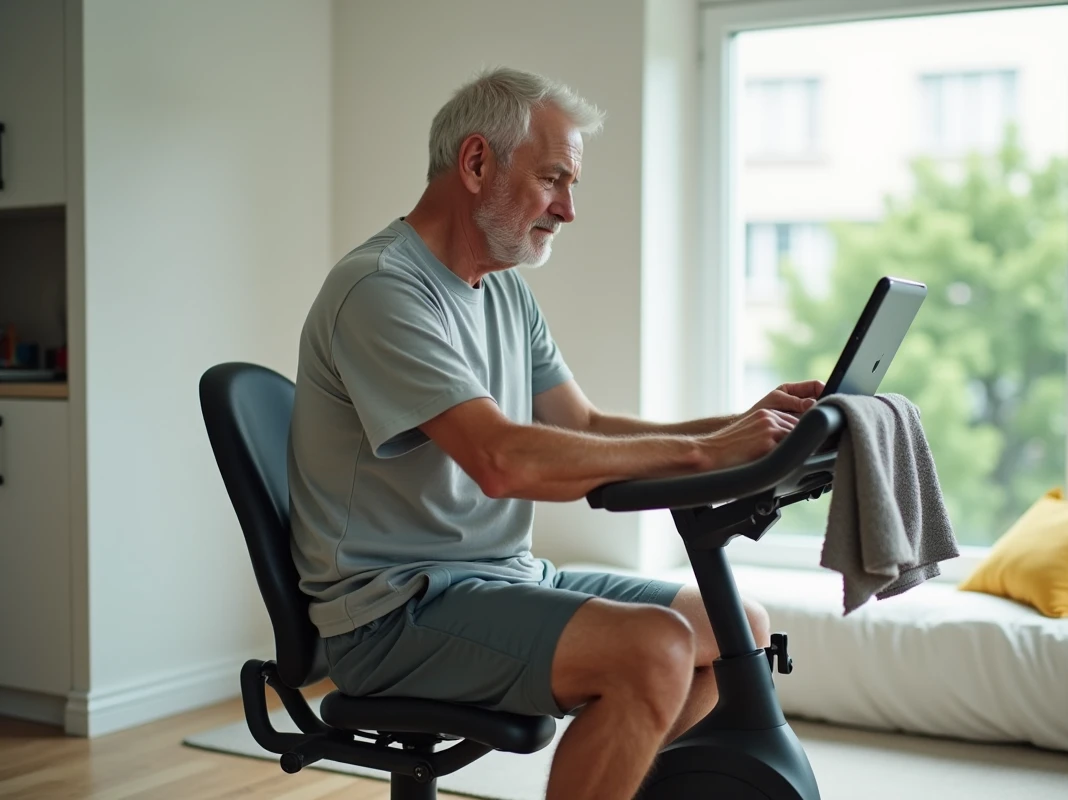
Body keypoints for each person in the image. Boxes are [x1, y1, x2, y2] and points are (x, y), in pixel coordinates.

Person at [288, 67, 824, 800]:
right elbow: (501, 460)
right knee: (655, 651)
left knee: (730, 630)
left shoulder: (504, 289)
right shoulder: (381, 290)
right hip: (392, 613)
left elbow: (586, 426)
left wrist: (746, 425)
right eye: (553, 180)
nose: (568, 209)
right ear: (476, 163)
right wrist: (704, 452)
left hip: (501, 577)